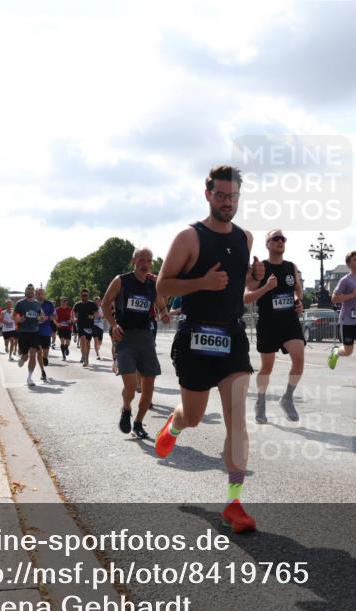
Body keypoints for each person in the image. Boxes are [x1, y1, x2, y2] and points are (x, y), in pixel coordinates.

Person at [155, 165, 264, 534]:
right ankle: (175, 423)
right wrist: (201, 282)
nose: (227, 202)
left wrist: (255, 277)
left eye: (233, 196)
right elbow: (163, 284)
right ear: (207, 195)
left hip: (232, 337)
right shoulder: (189, 237)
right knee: (195, 415)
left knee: (237, 418)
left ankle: (234, 502)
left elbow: (237, 281)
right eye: (220, 195)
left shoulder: (246, 238)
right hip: (196, 338)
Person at [103, 247, 170, 439]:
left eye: (149, 260)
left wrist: (165, 315)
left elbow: (162, 306)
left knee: (149, 385)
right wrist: (114, 324)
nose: (145, 264)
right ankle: (126, 408)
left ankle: (138, 423)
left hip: (146, 338)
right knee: (131, 386)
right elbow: (106, 303)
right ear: (134, 261)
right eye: (142, 259)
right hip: (124, 338)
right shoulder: (121, 280)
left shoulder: (152, 284)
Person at [244, 228, 305, 423]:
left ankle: (287, 398)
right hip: (268, 323)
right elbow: (246, 297)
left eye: (283, 238)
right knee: (267, 367)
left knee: (299, 359)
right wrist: (266, 287)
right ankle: (260, 401)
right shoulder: (260, 267)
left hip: (289, 321)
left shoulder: (291, 267)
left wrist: (298, 301)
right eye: (276, 238)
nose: (280, 241)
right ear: (267, 244)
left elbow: (297, 291)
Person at [328, 250, 356, 389]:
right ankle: (336, 352)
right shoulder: (345, 280)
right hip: (347, 320)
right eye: (354, 260)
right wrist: (351, 295)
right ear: (349, 264)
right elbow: (334, 298)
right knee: (348, 351)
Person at [14, 284, 47, 386]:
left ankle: (29, 378)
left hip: (34, 332)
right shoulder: (20, 303)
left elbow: (42, 315)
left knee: (33, 353)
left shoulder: (37, 304)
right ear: (25, 291)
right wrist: (19, 319)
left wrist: (42, 318)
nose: (30, 291)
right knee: (25, 357)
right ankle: (22, 358)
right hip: (23, 332)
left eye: (32, 290)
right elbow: (14, 316)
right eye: (28, 290)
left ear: (34, 292)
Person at [72, 289, 97, 367]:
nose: (84, 296)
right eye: (83, 295)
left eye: (86, 295)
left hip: (89, 325)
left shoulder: (92, 304)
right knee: (83, 341)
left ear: (88, 295)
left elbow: (97, 312)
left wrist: (93, 316)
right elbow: (73, 312)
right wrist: (75, 318)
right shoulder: (77, 304)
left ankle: (86, 357)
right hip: (81, 325)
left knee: (88, 343)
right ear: (81, 296)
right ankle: (85, 360)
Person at [36, 287, 55, 368]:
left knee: (45, 349)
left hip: (46, 330)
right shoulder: (33, 303)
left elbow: (55, 316)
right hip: (35, 330)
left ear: (45, 295)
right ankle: (42, 369)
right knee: (39, 350)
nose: (40, 295)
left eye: (42, 294)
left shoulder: (49, 304)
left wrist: (47, 317)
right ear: (36, 295)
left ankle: (45, 358)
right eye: (38, 294)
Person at [54, 296, 74, 361]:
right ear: (60, 302)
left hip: (68, 327)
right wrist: (57, 324)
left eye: (65, 302)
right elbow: (54, 318)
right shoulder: (57, 310)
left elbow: (72, 318)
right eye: (62, 302)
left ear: (67, 302)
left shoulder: (70, 309)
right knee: (62, 341)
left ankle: (66, 348)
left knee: (68, 342)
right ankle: (63, 356)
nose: (64, 303)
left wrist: (70, 320)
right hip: (60, 327)